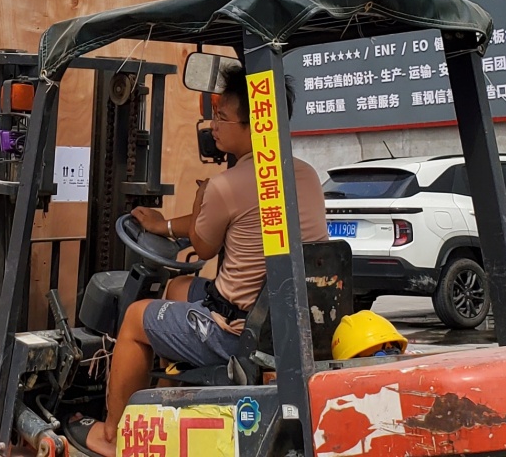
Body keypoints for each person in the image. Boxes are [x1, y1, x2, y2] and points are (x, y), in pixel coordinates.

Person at [85, 64, 328, 457]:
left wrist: (201, 197)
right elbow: (234, 218)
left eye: (221, 117)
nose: (213, 125)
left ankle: (113, 434)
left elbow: (203, 244)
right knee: (177, 288)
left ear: (254, 126)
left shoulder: (224, 186)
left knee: (134, 319)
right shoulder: (305, 175)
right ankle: (166, 396)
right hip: (288, 320)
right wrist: (164, 224)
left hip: (237, 332)